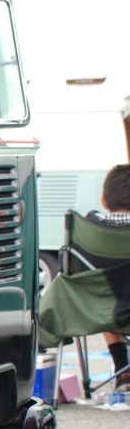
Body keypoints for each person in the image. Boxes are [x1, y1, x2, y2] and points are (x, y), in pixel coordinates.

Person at [87, 164, 130, 390]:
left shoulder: (90, 231)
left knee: (107, 296)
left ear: (104, 200)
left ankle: (123, 369)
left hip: (103, 311)